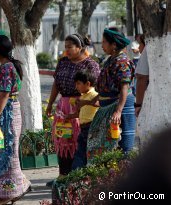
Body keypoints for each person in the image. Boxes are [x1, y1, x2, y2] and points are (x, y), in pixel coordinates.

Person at [0, 35, 31, 205]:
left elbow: (4, 94)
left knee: (7, 152)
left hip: (6, 113)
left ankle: (10, 191)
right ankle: (16, 188)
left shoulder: (6, 68)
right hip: (6, 110)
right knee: (5, 151)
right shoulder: (8, 66)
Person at [45, 34, 100, 179]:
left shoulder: (90, 65)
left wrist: (84, 104)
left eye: (70, 47)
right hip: (63, 106)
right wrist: (50, 103)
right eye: (65, 47)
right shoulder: (63, 61)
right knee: (62, 139)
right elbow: (56, 84)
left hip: (81, 106)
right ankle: (63, 174)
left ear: (80, 47)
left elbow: (96, 89)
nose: (67, 50)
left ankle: (78, 175)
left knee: (77, 140)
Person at [87, 28, 136, 161]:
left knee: (123, 144)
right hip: (108, 106)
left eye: (104, 42)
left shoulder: (122, 62)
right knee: (106, 146)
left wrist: (118, 111)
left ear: (114, 45)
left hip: (120, 107)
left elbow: (124, 88)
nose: (102, 45)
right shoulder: (111, 60)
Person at [68, 70, 99, 170]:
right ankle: (78, 174)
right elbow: (80, 113)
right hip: (83, 128)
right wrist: (70, 116)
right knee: (81, 152)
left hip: (91, 128)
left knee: (86, 153)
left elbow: (98, 103)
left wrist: (85, 102)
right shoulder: (82, 96)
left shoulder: (94, 95)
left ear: (88, 83)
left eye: (78, 83)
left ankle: (79, 174)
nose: (76, 86)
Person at [134, 34, 148, 117]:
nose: (138, 48)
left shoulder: (147, 50)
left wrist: (138, 105)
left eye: (140, 44)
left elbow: (141, 78)